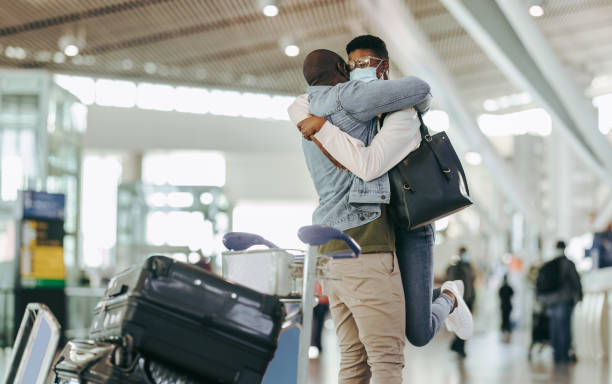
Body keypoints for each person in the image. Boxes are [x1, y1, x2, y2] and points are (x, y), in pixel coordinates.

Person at [291, 35, 473, 350]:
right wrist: (308, 117)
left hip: (412, 222)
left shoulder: (403, 113)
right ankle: (426, 297)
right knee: (386, 311)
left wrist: (321, 126)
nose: (356, 70)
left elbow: (368, 164)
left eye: (363, 63)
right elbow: (298, 103)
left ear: (382, 66)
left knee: (417, 332)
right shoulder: (357, 112)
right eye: (351, 65)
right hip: (381, 229)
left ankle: (450, 296)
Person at [536, 240, 583, 363]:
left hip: (551, 301)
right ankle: (563, 355)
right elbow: (575, 281)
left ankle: (557, 354)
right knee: (564, 328)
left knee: (554, 328)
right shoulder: (568, 264)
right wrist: (579, 297)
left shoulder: (549, 264)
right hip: (564, 300)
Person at [446, 246, 476, 357]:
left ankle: (457, 346)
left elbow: (471, 284)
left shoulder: (468, 266)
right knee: (462, 325)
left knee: (466, 324)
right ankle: (458, 347)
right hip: (461, 301)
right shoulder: (455, 267)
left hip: (469, 299)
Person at [499, 274, 514, 342]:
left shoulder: (502, 288)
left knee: (505, 321)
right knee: (507, 321)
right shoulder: (508, 287)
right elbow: (512, 294)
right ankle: (506, 336)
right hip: (507, 306)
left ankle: (505, 336)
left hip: (504, 306)